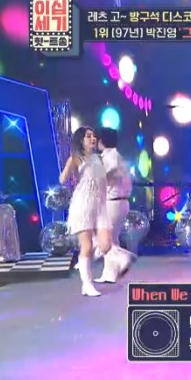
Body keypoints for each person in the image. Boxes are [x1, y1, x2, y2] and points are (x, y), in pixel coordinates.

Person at [59, 126, 121, 297]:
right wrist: (71, 170)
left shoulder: (99, 159)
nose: (93, 139)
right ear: (81, 140)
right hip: (83, 204)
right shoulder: (76, 158)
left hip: (100, 206)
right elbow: (63, 179)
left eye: (94, 136)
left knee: (106, 244)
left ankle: (83, 261)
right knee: (86, 245)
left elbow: (104, 180)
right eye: (88, 136)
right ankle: (87, 284)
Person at [93, 128, 134, 283]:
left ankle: (123, 257)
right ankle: (109, 274)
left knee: (103, 239)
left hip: (113, 202)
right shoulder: (116, 156)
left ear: (101, 140)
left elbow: (108, 175)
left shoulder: (110, 157)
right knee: (111, 240)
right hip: (119, 201)